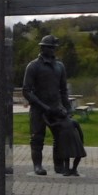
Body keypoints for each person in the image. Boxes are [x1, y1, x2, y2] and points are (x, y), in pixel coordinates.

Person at [22, 35, 71, 175]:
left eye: (54, 48)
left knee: (60, 137)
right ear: (42, 47)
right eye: (50, 47)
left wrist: (68, 108)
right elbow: (26, 90)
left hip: (56, 108)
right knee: (37, 138)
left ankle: (58, 165)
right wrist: (42, 106)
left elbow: (63, 90)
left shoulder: (60, 66)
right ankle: (37, 165)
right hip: (39, 110)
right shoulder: (33, 66)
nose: (53, 50)